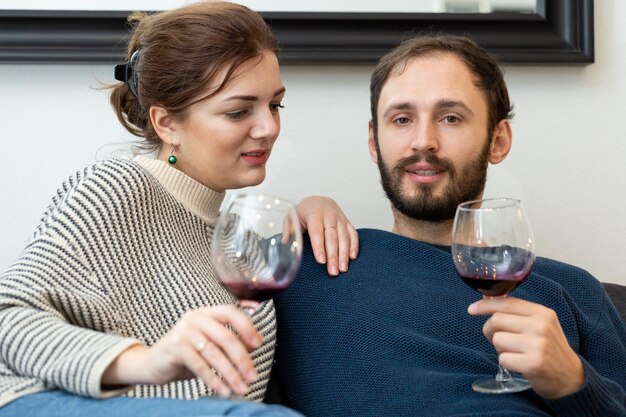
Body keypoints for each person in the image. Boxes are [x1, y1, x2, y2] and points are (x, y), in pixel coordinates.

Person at [0, 2, 359, 416]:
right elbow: (9, 316)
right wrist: (147, 361)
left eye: (275, 105)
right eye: (239, 111)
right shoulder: (116, 188)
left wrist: (313, 211)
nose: (269, 128)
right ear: (166, 123)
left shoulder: (231, 239)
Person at [270, 34, 626, 416]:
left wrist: (573, 383)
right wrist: (296, 219)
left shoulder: (572, 290)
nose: (423, 142)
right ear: (374, 142)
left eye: (450, 118)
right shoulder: (305, 266)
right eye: (402, 119)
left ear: (498, 140)